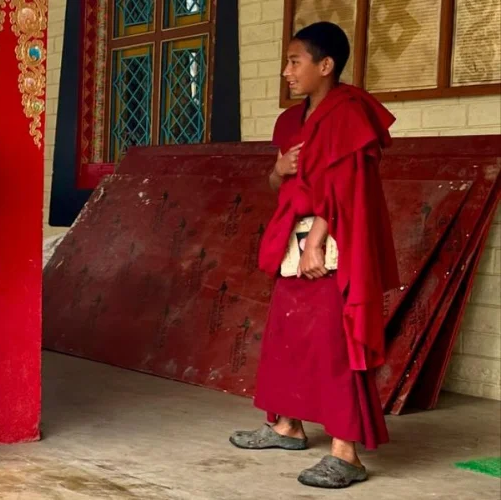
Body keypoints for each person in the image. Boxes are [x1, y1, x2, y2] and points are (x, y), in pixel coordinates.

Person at [229, 22, 399, 489]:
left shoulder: (350, 113)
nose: (286, 71)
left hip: (333, 242)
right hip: (293, 240)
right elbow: (280, 186)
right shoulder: (290, 122)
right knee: (288, 334)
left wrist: (319, 240)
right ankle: (287, 426)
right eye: (286, 62)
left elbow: (350, 187)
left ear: (325, 66)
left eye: (294, 61)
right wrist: (276, 169)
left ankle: (346, 454)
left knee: (336, 342)